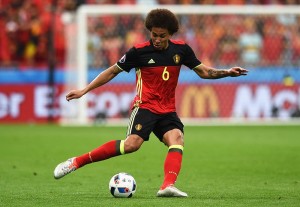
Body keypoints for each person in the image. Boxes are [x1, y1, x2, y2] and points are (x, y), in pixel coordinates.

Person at [54, 8, 248, 197]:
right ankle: (77, 162)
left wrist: (227, 72)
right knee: (131, 145)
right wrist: (84, 90)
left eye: (162, 36)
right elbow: (112, 71)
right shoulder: (139, 52)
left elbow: (205, 72)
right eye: (154, 34)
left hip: (167, 110)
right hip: (144, 106)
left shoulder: (182, 50)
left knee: (177, 138)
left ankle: (167, 186)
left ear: (170, 34)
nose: (157, 39)